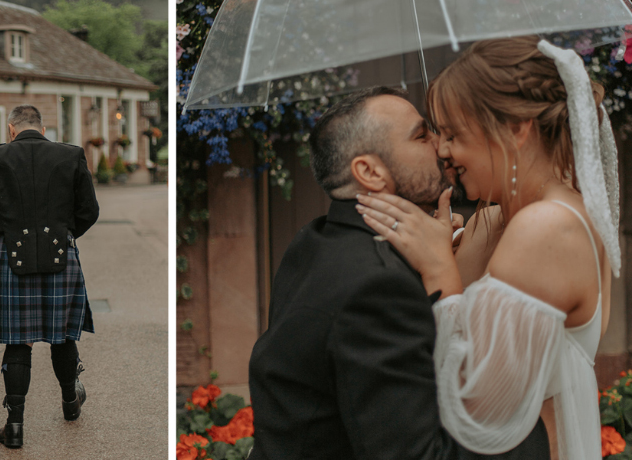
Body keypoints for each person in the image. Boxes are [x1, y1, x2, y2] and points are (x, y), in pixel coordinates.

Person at [247, 85, 550, 460]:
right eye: (423, 136)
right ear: (370, 171)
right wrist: (530, 429)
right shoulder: (376, 286)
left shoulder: (316, 240)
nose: (441, 147)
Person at [356, 37, 620, 459]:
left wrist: (440, 271)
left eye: (454, 134)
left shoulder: (547, 227)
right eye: (438, 135)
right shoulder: (497, 219)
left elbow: (479, 413)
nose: (442, 151)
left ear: (516, 129)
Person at [0, 104, 99, 449]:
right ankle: (69, 402)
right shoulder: (71, 155)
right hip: (61, 257)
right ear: (42, 129)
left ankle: (14, 426)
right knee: (62, 334)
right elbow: (89, 210)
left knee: (18, 341)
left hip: (10, 258)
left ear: (10, 129)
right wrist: (64, 236)